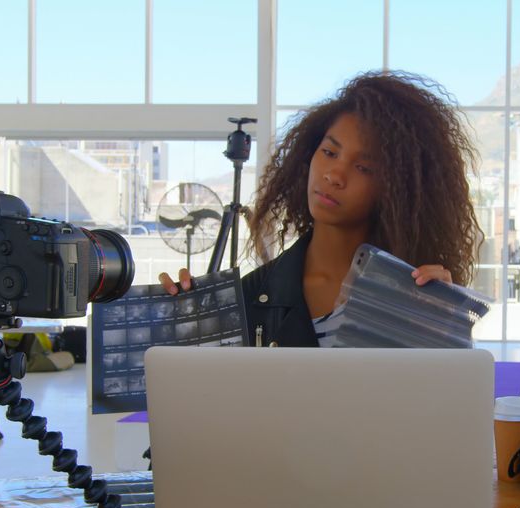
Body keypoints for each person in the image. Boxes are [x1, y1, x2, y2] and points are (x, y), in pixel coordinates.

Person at [160, 71, 483, 347]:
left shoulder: (416, 299)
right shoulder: (251, 297)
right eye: (329, 152)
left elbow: (445, 407)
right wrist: (179, 327)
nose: (334, 175)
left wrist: (444, 325)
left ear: (401, 190)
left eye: (364, 167)